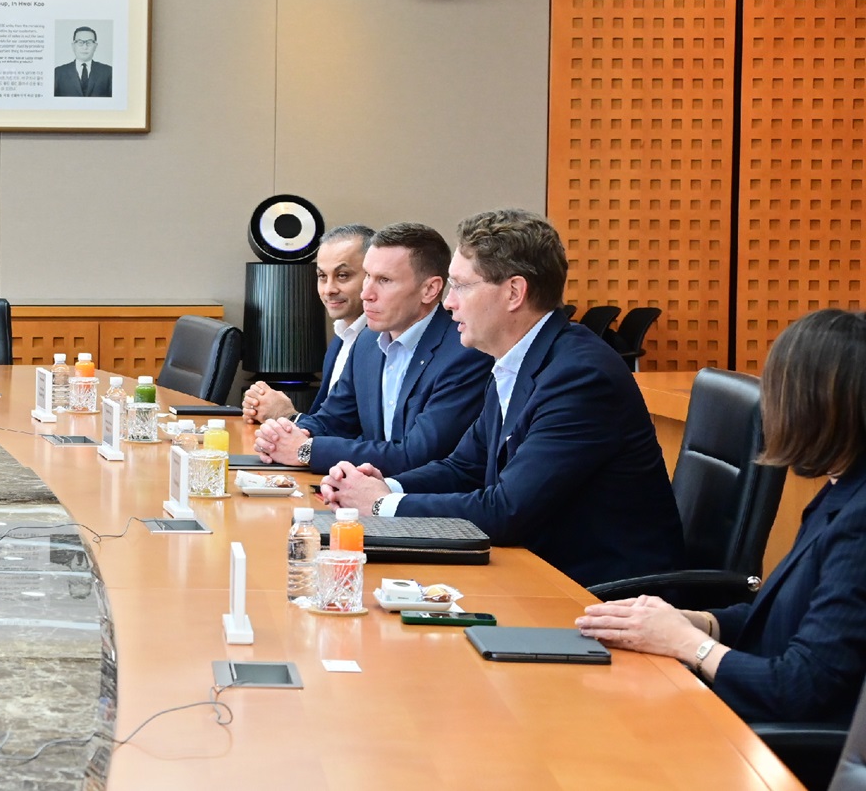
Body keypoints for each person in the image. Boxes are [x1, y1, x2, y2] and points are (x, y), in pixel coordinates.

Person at [317, 209, 683, 587]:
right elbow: (464, 468)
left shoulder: (580, 377)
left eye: (461, 286)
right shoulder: (516, 360)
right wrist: (386, 486)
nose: (448, 303)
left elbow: (507, 510)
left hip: (600, 593)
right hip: (536, 573)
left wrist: (381, 504)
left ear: (514, 293)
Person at [578, 309, 866, 724]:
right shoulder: (842, 489)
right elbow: (782, 619)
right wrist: (692, 622)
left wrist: (687, 644)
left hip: (779, 744)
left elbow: (800, 687)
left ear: (818, 404)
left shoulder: (858, 522)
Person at [251, 223, 490, 473]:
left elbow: (417, 454)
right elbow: (332, 422)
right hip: (359, 488)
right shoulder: (367, 342)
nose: (366, 293)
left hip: (418, 494)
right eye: (367, 276)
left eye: (384, 280)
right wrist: (283, 436)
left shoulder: (465, 353)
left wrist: (306, 450)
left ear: (429, 289)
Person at [244, 224, 373, 422]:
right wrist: (268, 412)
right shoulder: (342, 336)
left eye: (342, 276)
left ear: (373, 275)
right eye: (322, 276)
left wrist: (287, 416)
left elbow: (354, 431)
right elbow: (328, 424)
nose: (328, 289)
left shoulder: (381, 343)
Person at [52, 26, 113, 97]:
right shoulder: (58, 73)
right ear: (73, 46)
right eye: (80, 42)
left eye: (89, 42)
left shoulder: (108, 72)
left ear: (95, 46)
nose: (85, 47)